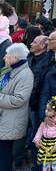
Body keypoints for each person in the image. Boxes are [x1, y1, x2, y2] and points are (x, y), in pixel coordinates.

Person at [0, 43, 34, 171]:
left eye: (7, 55)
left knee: (5, 154)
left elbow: (19, 99)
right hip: (5, 119)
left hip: (10, 121)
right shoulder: (9, 70)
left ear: (15, 58)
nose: (4, 58)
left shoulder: (25, 74)